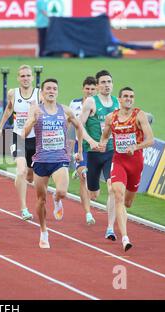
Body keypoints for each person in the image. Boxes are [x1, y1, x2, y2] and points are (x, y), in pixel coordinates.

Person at [23, 78, 83, 249]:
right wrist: (33, 121)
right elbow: (24, 133)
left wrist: (78, 151)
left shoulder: (65, 111)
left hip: (60, 159)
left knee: (62, 191)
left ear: (57, 92)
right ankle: (43, 231)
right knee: (41, 200)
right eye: (48, 88)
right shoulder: (36, 110)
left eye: (54, 88)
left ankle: (57, 199)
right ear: (42, 92)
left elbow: (79, 127)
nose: (51, 91)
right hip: (41, 160)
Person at [99, 87, 154, 251]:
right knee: (118, 196)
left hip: (136, 163)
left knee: (128, 203)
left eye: (131, 96)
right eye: (126, 96)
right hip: (119, 161)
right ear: (119, 99)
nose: (129, 98)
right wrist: (102, 144)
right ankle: (125, 238)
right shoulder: (111, 117)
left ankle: (123, 232)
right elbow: (105, 135)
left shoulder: (139, 115)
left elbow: (150, 140)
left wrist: (135, 146)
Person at [0, 65, 40, 221]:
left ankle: (27, 181)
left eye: (28, 75)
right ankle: (24, 209)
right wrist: (0, 128)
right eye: (22, 76)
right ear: (18, 78)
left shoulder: (39, 94)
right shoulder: (12, 93)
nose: (26, 78)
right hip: (18, 137)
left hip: (35, 139)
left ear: (32, 77)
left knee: (30, 177)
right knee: (21, 171)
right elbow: (8, 110)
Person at [80, 70, 120, 241]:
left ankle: (110, 228)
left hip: (111, 152)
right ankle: (84, 177)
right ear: (97, 86)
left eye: (109, 81)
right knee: (94, 193)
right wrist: (91, 141)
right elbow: (79, 126)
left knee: (112, 188)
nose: (106, 85)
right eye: (103, 82)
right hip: (93, 153)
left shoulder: (118, 102)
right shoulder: (91, 102)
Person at [68, 76, 97, 225]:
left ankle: (79, 170)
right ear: (83, 89)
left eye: (93, 89)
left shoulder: (100, 104)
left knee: (95, 192)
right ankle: (88, 214)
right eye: (87, 89)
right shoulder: (74, 103)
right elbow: (69, 124)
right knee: (84, 177)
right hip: (81, 146)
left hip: (98, 148)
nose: (90, 92)